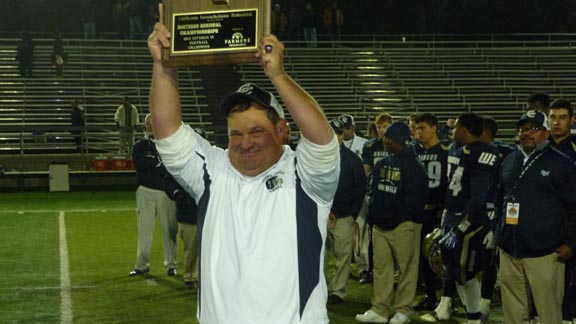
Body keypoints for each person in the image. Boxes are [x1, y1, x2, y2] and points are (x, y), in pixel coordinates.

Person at [148, 17, 340, 324]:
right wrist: (164, 64)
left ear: (281, 129)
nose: (244, 143)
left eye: (256, 131)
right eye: (235, 134)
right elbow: (167, 132)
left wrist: (277, 75)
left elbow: (323, 141)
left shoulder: (304, 176)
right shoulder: (214, 170)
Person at [496, 109, 576, 324]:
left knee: (549, 312)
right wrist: (498, 233)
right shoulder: (510, 160)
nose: (526, 133)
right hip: (510, 248)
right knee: (513, 311)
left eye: (533, 128)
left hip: (545, 251)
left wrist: (571, 242)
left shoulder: (562, 163)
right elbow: (499, 198)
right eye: (523, 128)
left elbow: (574, 206)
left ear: (546, 133)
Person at [356, 121, 427, 324]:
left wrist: (392, 218)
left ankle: (404, 310)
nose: (383, 140)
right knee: (381, 269)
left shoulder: (415, 166)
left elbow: (415, 202)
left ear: (398, 140)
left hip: (403, 225)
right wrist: (376, 217)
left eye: (387, 137)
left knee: (406, 270)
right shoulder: (383, 163)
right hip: (380, 225)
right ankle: (380, 309)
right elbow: (374, 191)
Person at [439, 112, 500, 324]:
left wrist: (461, 227)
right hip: (452, 214)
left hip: (472, 219)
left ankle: (475, 318)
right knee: (454, 270)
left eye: (456, 127)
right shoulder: (455, 147)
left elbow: (478, 197)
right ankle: (472, 315)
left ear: (464, 129)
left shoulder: (486, 152)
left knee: (465, 269)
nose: (452, 130)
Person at [129, 114, 178, 277]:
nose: (150, 127)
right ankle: (141, 265)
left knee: (169, 230)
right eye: (148, 124)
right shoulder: (140, 145)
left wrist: (153, 163)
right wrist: (156, 162)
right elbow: (140, 164)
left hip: (165, 191)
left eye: (153, 123)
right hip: (145, 191)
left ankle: (171, 264)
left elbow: (170, 167)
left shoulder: (168, 144)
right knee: (144, 230)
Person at [412, 113, 450, 312]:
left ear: (434, 128)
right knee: (423, 257)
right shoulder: (413, 151)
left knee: (441, 257)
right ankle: (430, 296)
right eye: (417, 129)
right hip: (419, 211)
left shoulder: (446, 150)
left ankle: (448, 298)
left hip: (438, 211)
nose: (419, 132)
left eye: (422, 128)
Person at [326, 119, 366, 304]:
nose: (335, 137)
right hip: (321, 214)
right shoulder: (316, 155)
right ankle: (319, 288)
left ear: (343, 135)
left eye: (338, 133)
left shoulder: (352, 159)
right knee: (319, 257)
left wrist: (352, 214)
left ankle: (337, 291)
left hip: (343, 216)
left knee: (343, 257)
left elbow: (360, 188)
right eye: (332, 133)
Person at [357, 112, 394, 285]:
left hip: (392, 195)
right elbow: (366, 170)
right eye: (379, 127)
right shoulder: (371, 145)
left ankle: (393, 270)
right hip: (374, 194)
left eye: (385, 126)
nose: (381, 130)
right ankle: (368, 269)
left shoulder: (397, 144)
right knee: (370, 235)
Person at [548, 99, 576, 323]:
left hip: (570, 225)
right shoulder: (540, 146)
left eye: (562, 117)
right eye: (553, 117)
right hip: (544, 225)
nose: (556, 122)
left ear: (572, 119)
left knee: (569, 280)